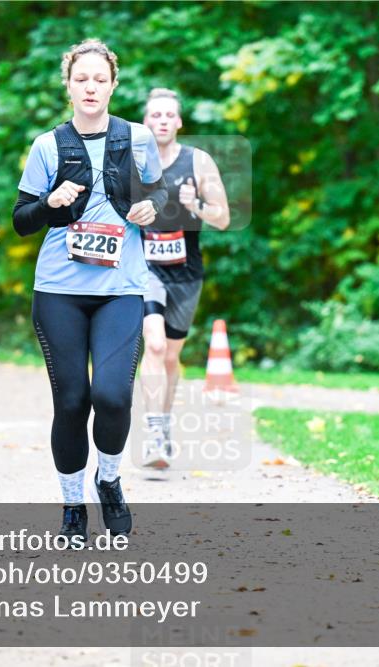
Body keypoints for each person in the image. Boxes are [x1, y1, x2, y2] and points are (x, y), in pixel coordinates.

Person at [12, 39, 167, 542]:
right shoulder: (47, 146)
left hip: (121, 287)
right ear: (69, 85)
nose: (91, 87)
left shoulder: (138, 139)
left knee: (113, 395)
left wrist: (152, 208)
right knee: (74, 400)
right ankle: (72, 504)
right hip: (59, 289)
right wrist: (53, 202)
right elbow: (21, 220)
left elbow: (163, 197)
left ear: (113, 84)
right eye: (82, 79)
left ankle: (110, 479)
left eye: (100, 79)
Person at [139, 88, 230, 469]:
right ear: (146, 121)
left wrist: (196, 206)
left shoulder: (198, 162)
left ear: (178, 122)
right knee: (155, 346)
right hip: (144, 270)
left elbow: (223, 218)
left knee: (172, 355)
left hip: (186, 272)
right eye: (155, 115)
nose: (161, 120)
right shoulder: (134, 161)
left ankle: (165, 423)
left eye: (168, 115)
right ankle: (153, 433)